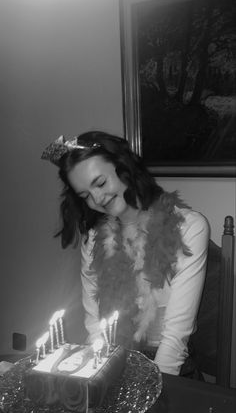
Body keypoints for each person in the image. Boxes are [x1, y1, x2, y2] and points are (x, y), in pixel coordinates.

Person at [42, 131, 210, 376]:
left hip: (171, 369)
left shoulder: (190, 228)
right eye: (85, 195)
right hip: (115, 363)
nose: (97, 198)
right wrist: (98, 376)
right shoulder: (93, 241)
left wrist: (153, 391)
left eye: (100, 183)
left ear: (125, 169)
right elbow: (95, 325)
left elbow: (175, 338)